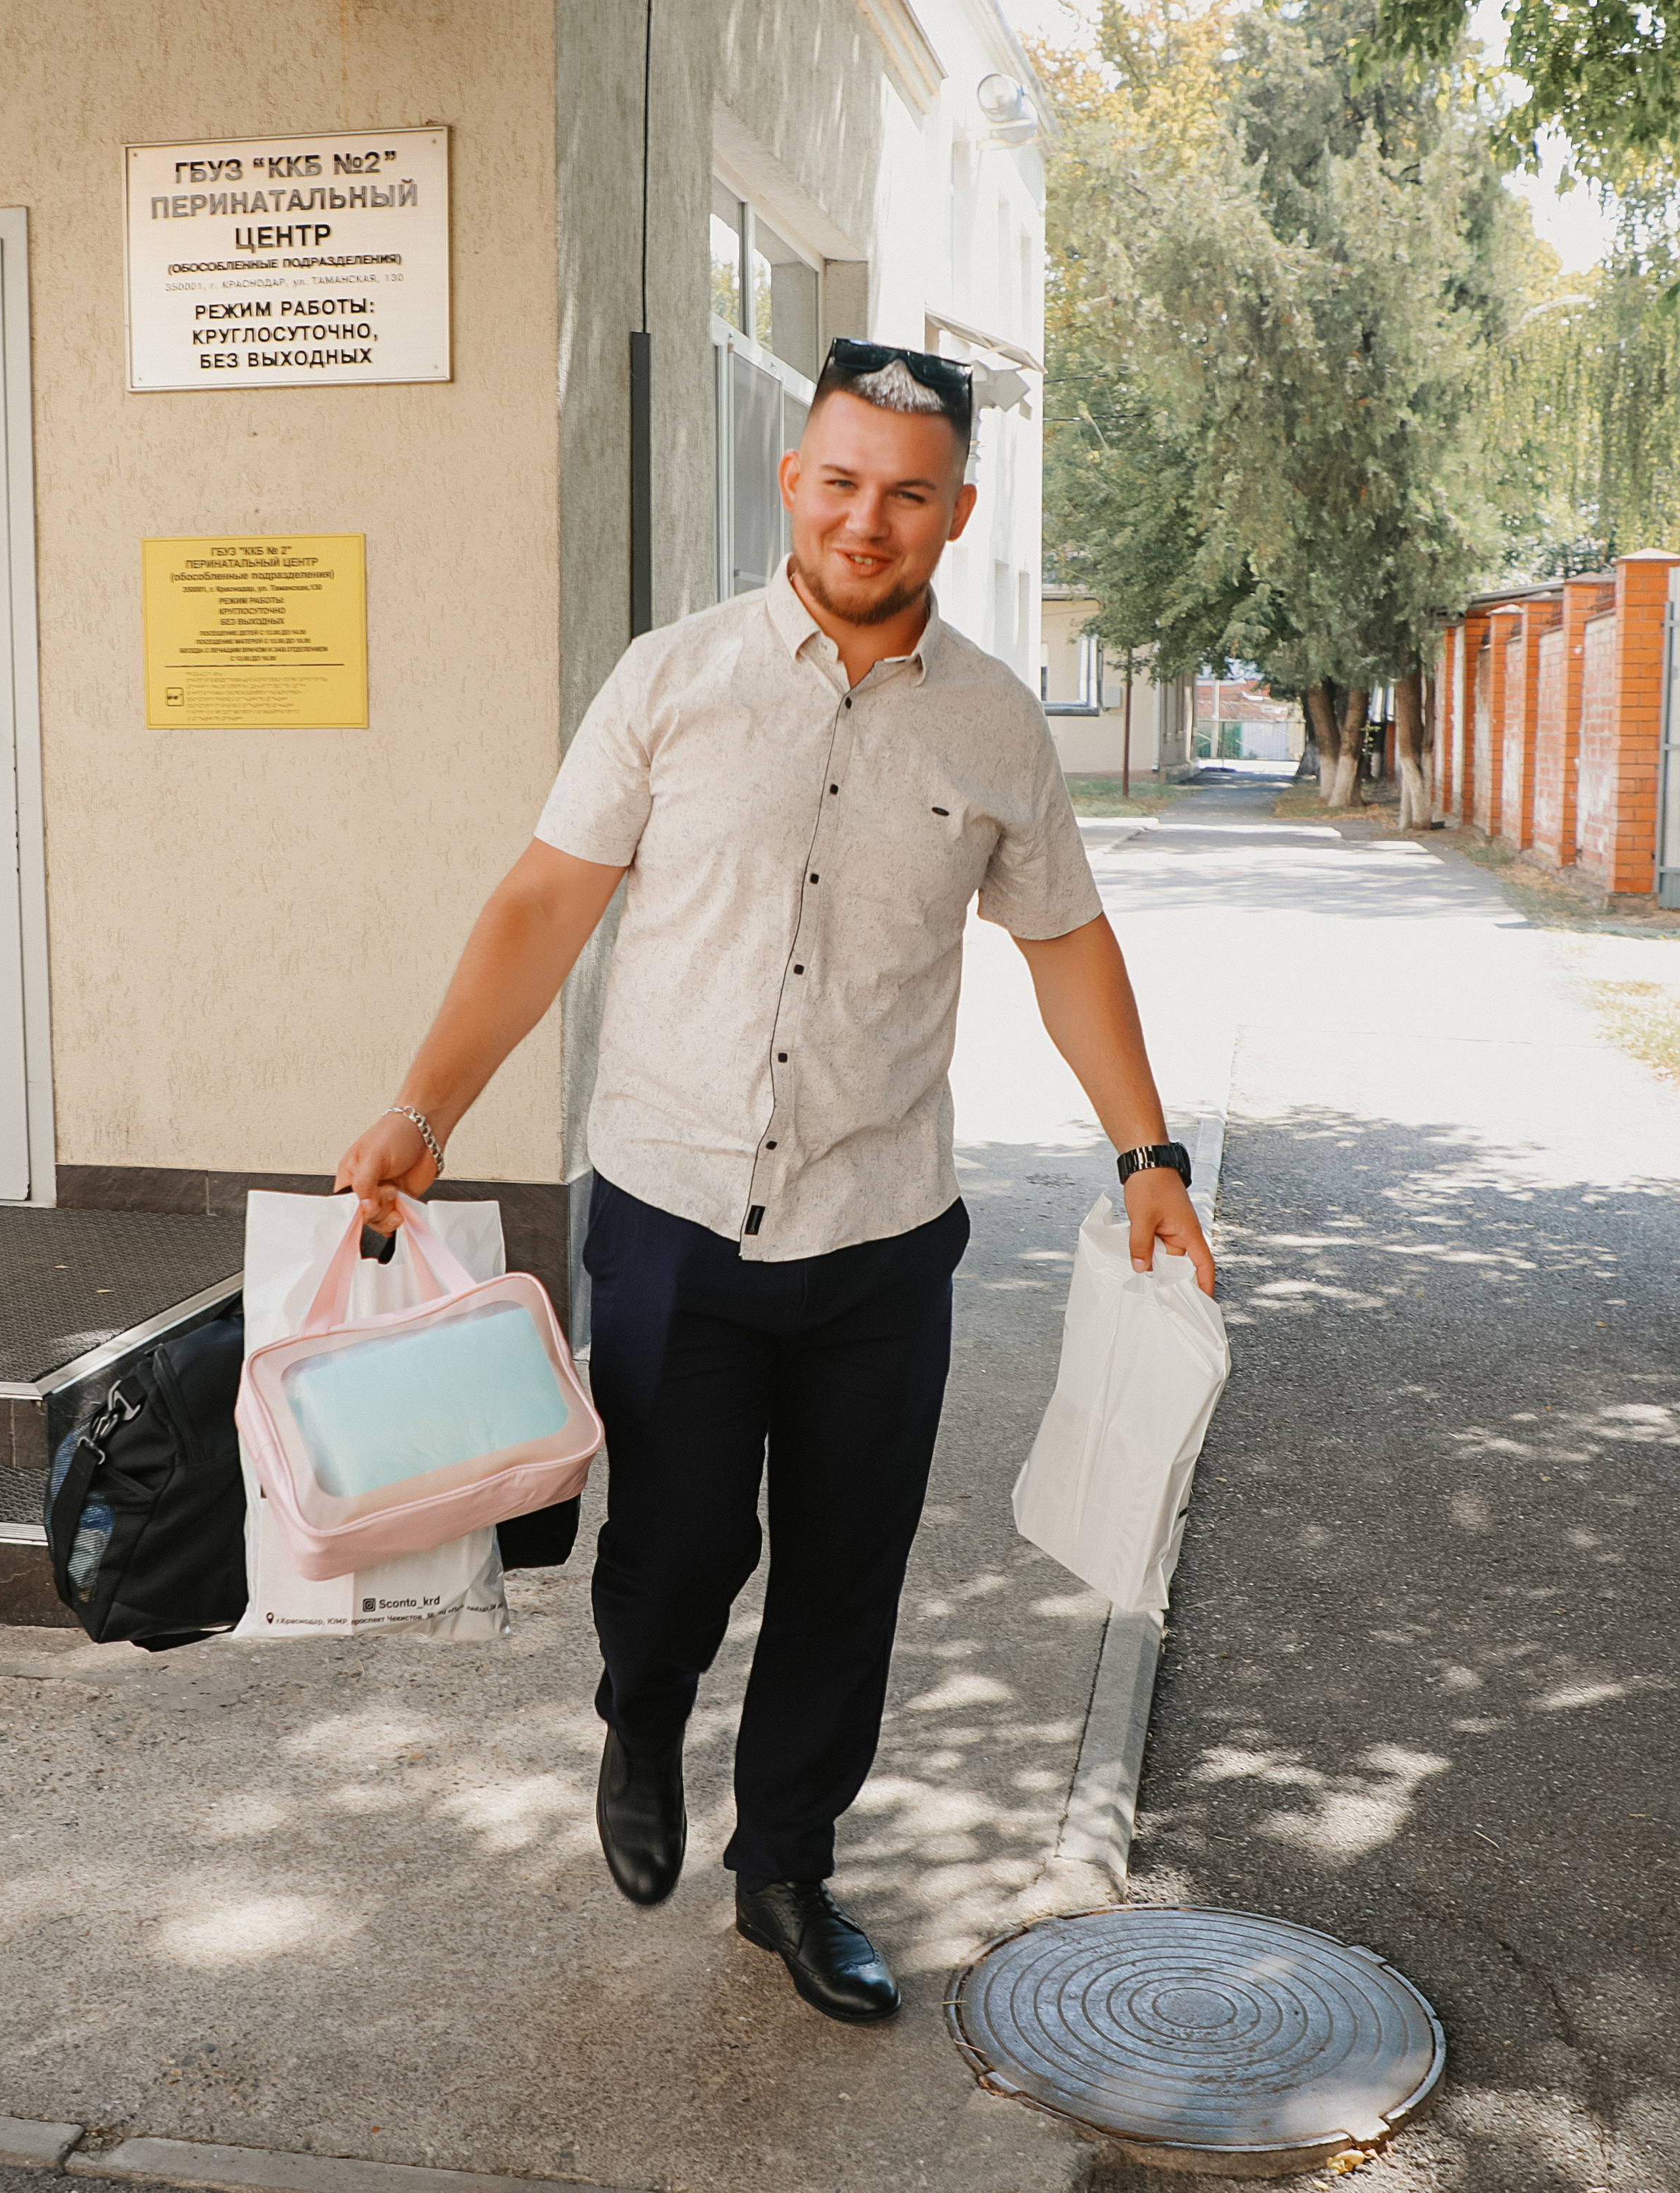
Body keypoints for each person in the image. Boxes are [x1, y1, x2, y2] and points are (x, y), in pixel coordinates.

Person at [335, 337, 1213, 2025]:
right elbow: (539, 906)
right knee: (670, 1544)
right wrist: (423, 1109)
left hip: (880, 1234)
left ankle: (789, 1868)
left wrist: (1147, 1149)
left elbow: (1064, 940)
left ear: (954, 514)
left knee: (844, 1566)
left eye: (903, 490)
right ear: (792, 481)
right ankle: (642, 1706)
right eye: (835, 479)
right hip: (668, 1214)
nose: (861, 518)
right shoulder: (670, 681)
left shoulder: (995, 724)